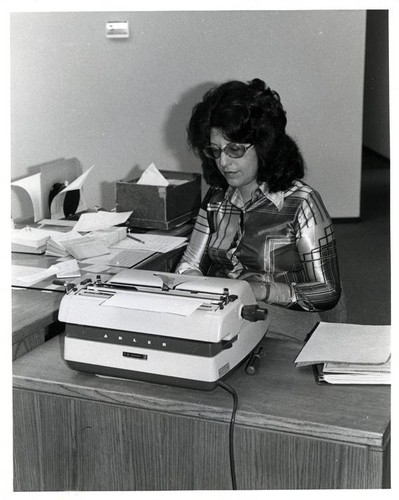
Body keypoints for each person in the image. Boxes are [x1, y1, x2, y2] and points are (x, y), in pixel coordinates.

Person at [175, 78, 343, 335]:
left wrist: (263, 290)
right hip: (227, 308)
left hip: (286, 316)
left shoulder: (302, 202)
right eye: (215, 150)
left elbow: (328, 290)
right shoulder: (217, 197)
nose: (223, 162)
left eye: (235, 150)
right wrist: (194, 282)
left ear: (264, 145)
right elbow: (190, 262)